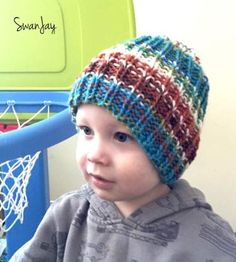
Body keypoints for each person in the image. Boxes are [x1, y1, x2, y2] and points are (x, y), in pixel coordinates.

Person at [10, 35, 236, 261]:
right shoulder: (67, 214)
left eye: (121, 137)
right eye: (86, 131)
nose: (95, 155)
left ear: (169, 155)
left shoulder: (208, 242)